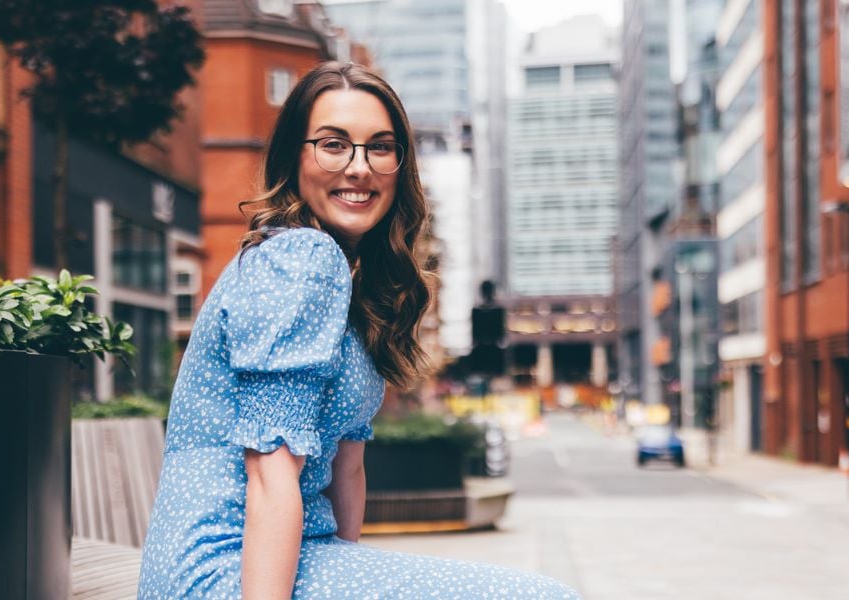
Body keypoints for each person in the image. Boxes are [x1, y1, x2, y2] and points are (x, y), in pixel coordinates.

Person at [136, 62, 580, 599]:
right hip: (223, 567)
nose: (359, 167)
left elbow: (347, 472)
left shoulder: (354, 287)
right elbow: (270, 473)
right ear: (294, 157)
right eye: (333, 144)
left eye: (380, 147)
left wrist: (352, 575)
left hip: (301, 556)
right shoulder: (301, 257)